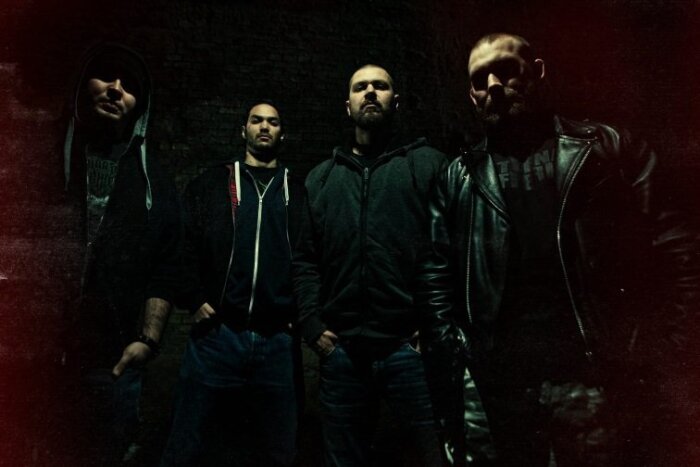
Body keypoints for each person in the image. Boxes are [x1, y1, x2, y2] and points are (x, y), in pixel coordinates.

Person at [417, 33, 700, 466]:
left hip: (594, 382)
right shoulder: (458, 177)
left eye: (506, 71)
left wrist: (656, 352)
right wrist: (458, 363)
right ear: (471, 96)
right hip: (500, 391)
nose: (493, 86)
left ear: (538, 72)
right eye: (479, 80)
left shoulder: (608, 148)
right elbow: (435, 276)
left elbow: (677, 251)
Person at [293, 64, 446, 467]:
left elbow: (450, 252)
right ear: (348, 106)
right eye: (361, 87)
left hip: (409, 351)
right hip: (342, 353)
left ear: (396, 101)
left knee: (434, 456)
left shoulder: (428, 165)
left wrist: (434, 327)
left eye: (381, 86)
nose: (371, 92)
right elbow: (305, 259)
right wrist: (312, 325)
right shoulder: (321, 179)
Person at [160, 100, 303, 467]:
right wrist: (195, 299)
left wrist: (299, 314)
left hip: (277, 342)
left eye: (273, 122)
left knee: (276, 449)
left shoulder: (297, 190)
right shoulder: (212, 183)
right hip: (217, 337)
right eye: (257, 120)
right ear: (244, 130)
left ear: (282, 134)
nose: (265, 127)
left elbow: (311, 258)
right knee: (189, 443)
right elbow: (183, 244)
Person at [63, 43, 181, 466]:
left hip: (112, 362)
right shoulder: (40, 162)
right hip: (33, 362)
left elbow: (166, 264)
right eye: (106, 76)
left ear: (138, 108)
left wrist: (147, 340)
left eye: (128, 86)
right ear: (83, 86)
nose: (115, 89)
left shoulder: (155, 182)